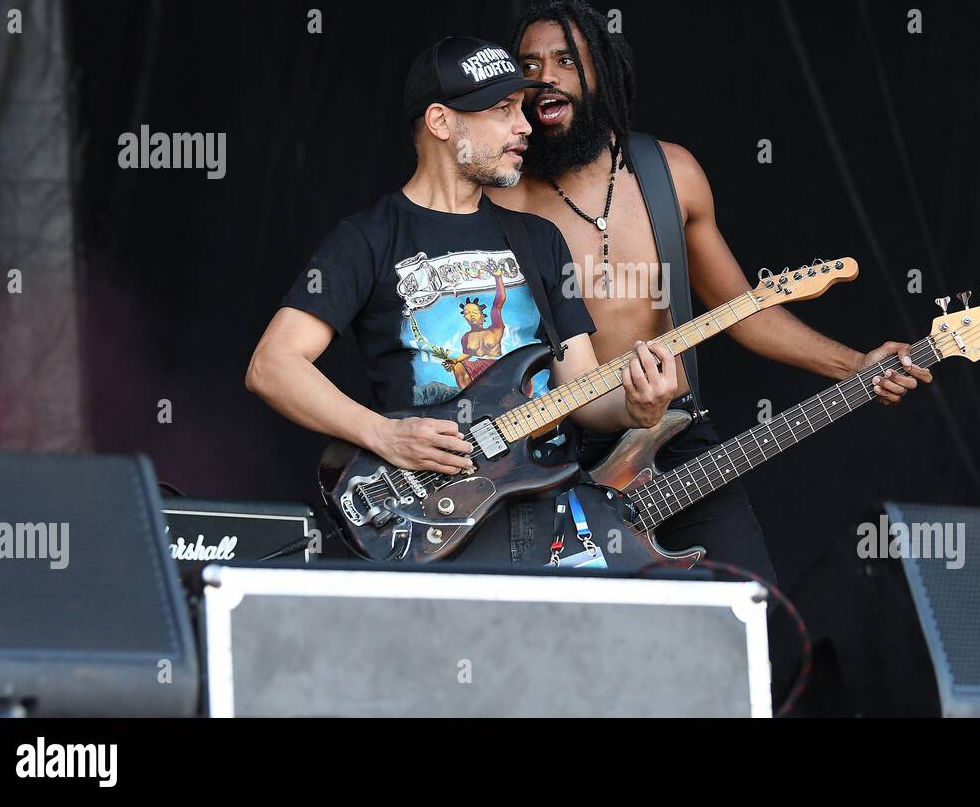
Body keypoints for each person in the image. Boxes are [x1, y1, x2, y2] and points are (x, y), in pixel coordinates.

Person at [489, 0, 933, 584]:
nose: (545, 77)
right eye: (529, 65)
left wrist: (856, 363)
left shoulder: (670, 175)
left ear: (601, 69)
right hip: (556, 456)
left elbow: (743, 313)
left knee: (749, 609)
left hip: (673, 436)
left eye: (565, 61)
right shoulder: (505, 198)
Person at [245, 36, 678, 491]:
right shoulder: (367, 239)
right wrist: (382, 434)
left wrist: (636, 409)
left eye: (521, 107)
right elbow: (272, 366)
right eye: (503, 109)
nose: (525, 125)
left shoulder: (539, 239)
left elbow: (582, 394)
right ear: (440, 121)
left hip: (544, 509)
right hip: (436, 512)